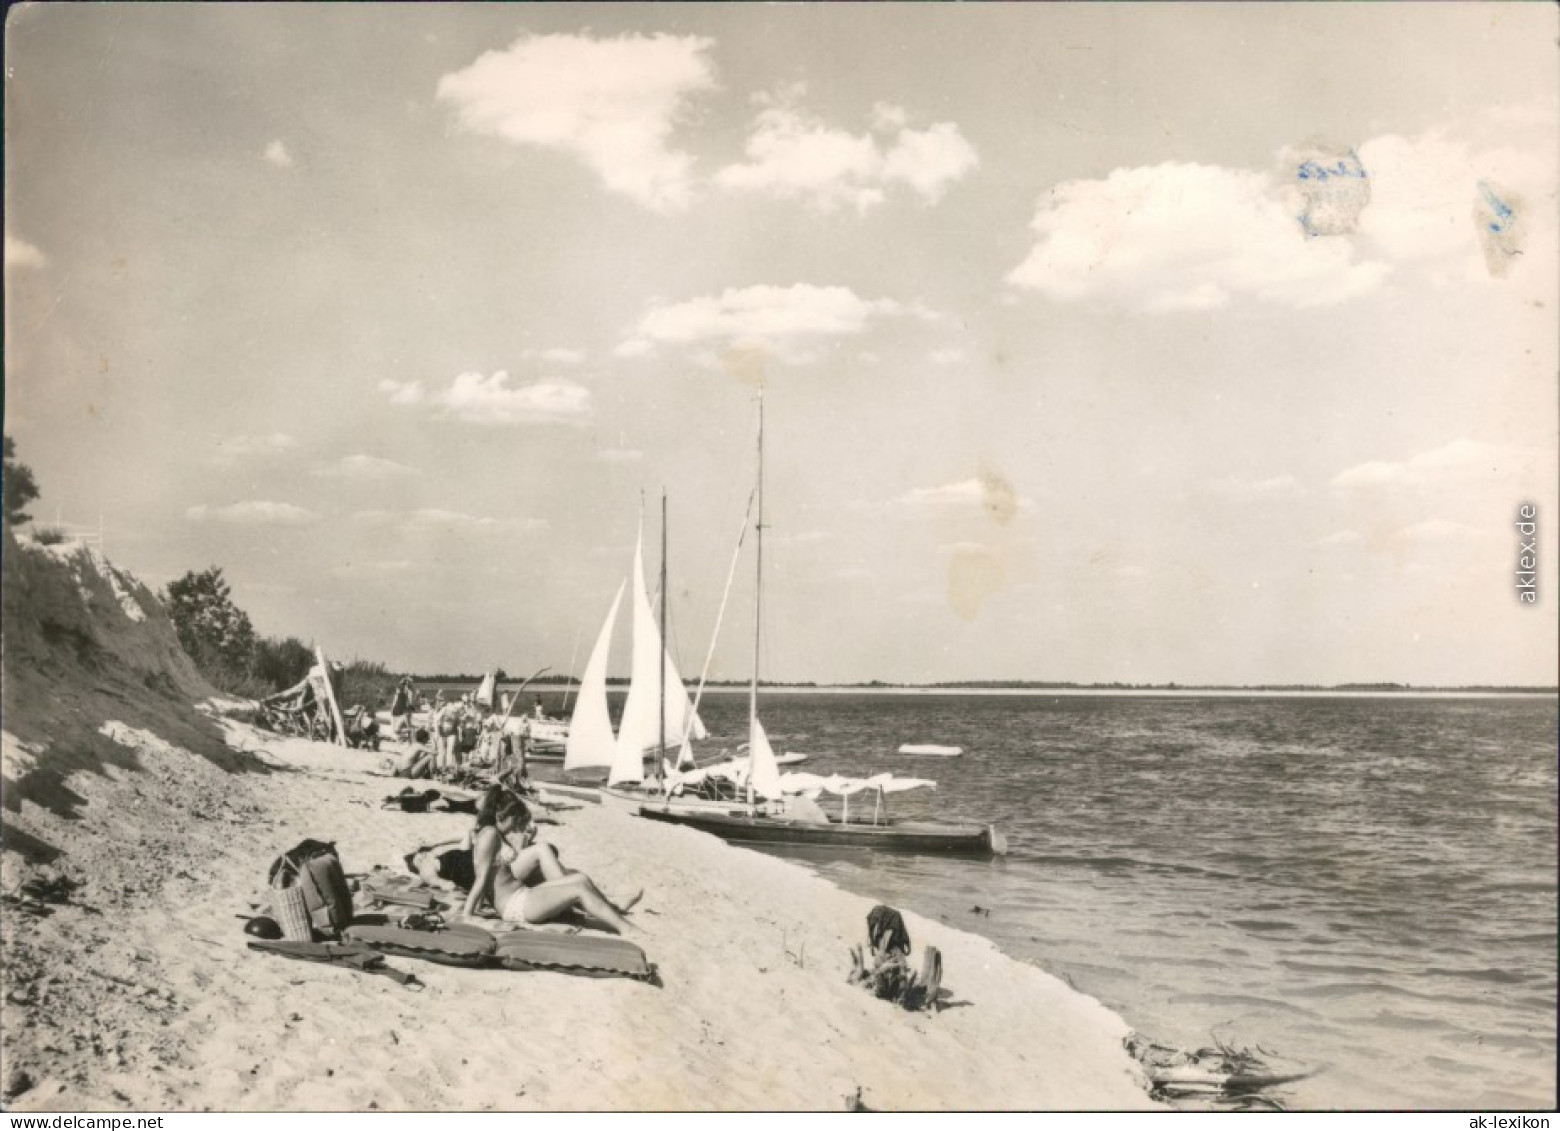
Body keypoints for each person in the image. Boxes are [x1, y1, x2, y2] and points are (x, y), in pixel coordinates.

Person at [458, 791, 640, 934]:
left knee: (581, 878)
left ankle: (618, 915)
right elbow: (481, 877)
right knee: (578, 890)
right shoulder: (489, 835)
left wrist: (480, 905)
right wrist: (468, 915)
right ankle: (627, 929)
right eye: (513, 820)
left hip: (522, 894)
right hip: (515, 906)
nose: (514, 827)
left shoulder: (493, 833)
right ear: (499, 816)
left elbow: (489, 874)